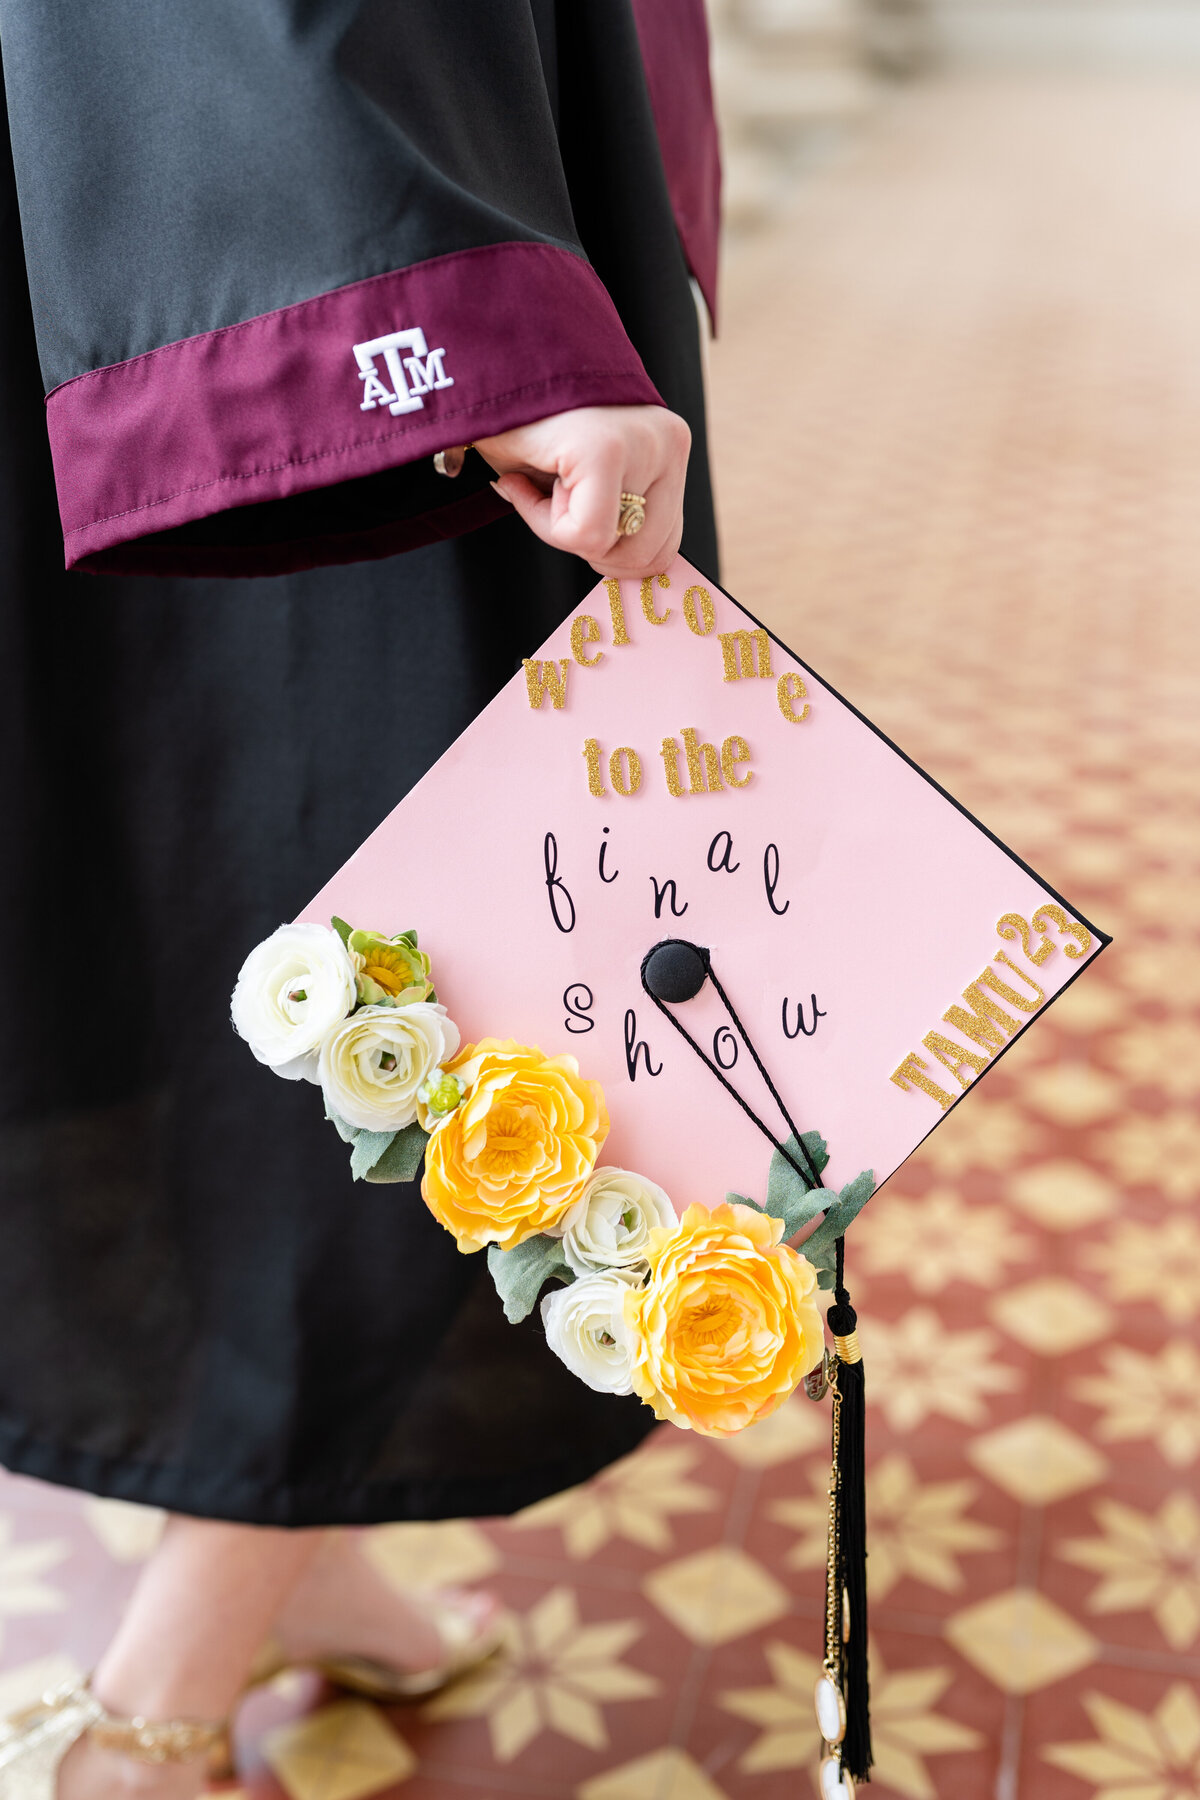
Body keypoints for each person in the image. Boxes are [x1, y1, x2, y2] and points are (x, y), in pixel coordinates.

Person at [0, 5, 720, 1796]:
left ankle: (245, 1582)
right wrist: (441, 290)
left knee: (360, 925)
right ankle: (261, 1562)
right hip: (299, 169)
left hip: (240, 143)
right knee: (326, 889)